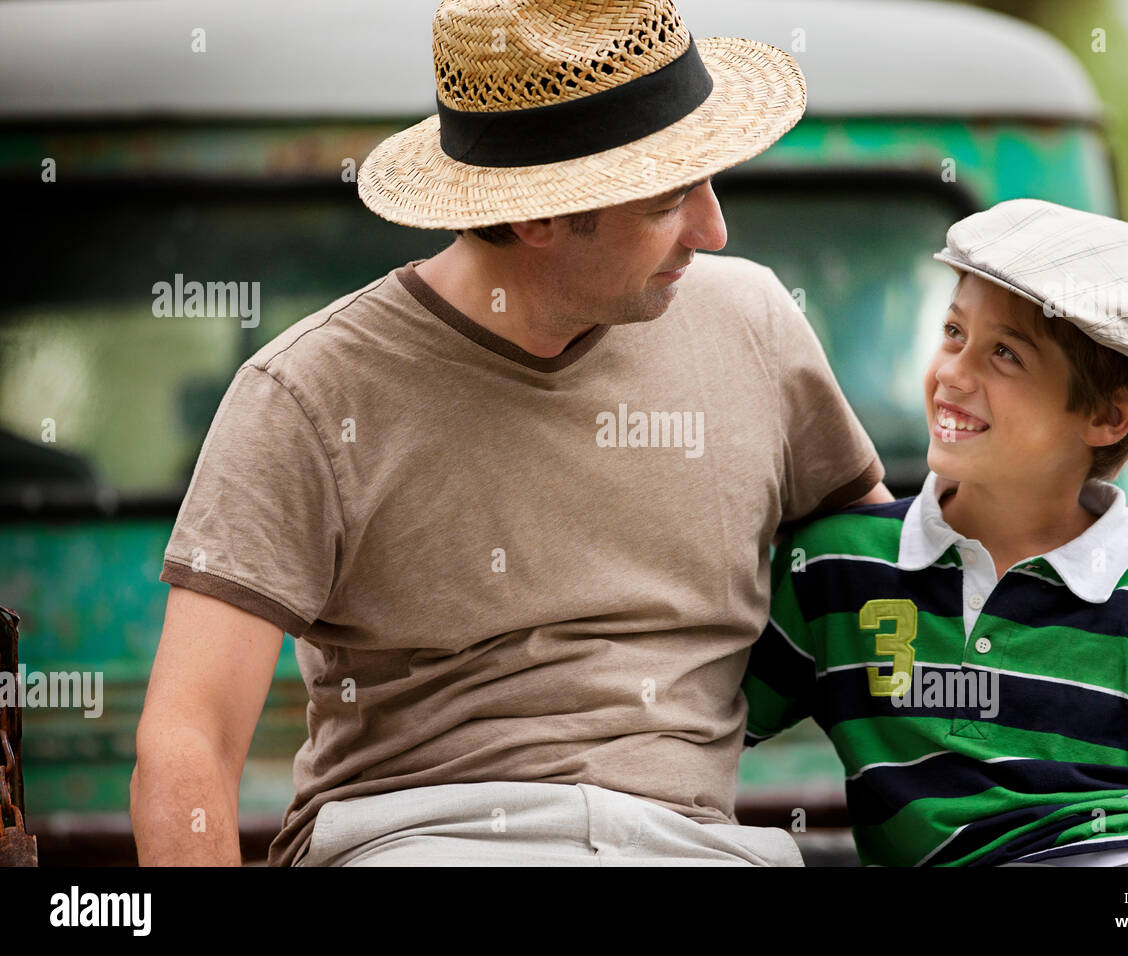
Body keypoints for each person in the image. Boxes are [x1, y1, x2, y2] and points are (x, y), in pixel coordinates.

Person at [130, 0, 894, 866]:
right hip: (420, 841)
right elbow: (188, 737)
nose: (713, 231)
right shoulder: (307, 394)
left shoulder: (753, 322)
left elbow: (882, 572)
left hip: (702, 848)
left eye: (709, 182)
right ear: (537, 216)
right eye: (669, 199)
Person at [742, 198, 1128, 866]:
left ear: (1109, 415)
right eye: (954, 332)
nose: (953, 372)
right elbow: (692, 729)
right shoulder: (834, 571)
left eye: (1005, 354)